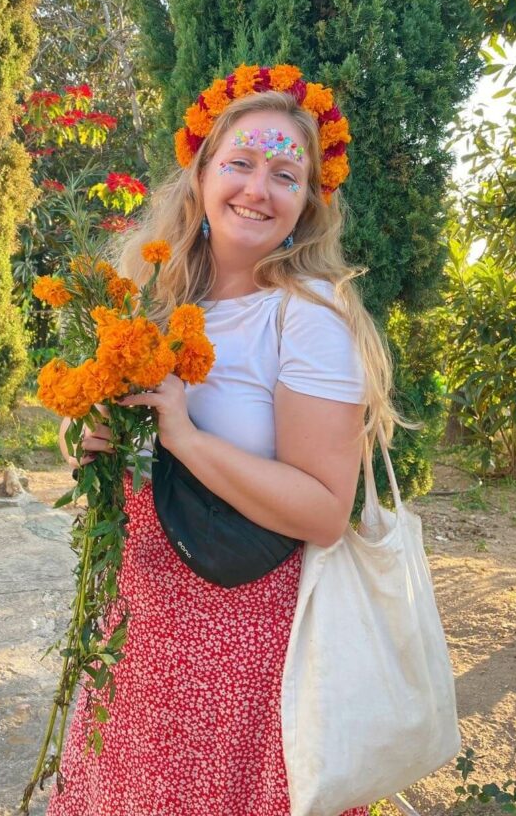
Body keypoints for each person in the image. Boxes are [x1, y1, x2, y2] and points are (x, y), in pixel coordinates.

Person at [46, 64, 409, 816]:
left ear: (309, 201)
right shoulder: (155, 298)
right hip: (137, 629)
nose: (258, 188)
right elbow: (126, 451)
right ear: (202, 173)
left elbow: (322, 513)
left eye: (286, 173)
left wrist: (181, 434)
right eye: (240, 162)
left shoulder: (306, 319)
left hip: (237, 649)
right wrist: (89, 439)